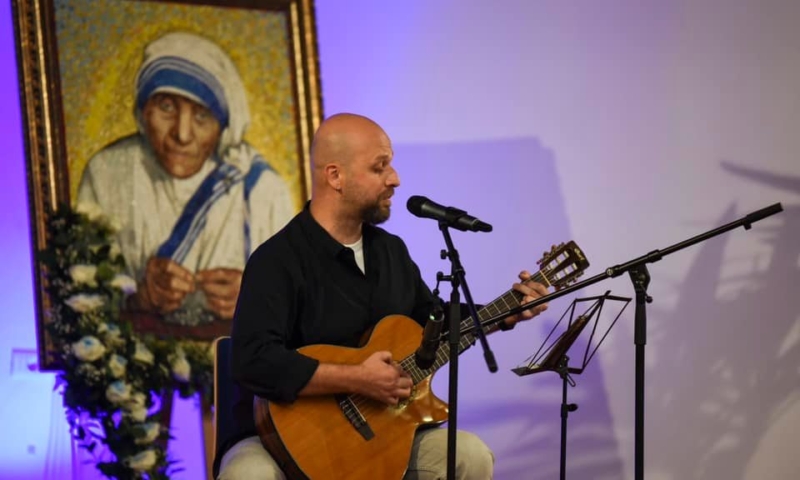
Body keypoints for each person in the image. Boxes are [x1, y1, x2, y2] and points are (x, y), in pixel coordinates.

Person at [217, 113, 550, 479]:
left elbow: (432, 323)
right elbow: (253, 360)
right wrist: (356, 378)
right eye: (380, 167)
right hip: (281, 441)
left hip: (383, 432)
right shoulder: (277, 260)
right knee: (248, 475)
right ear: (335, 176)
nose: (395, 179)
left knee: (469, 455)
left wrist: (505, 312)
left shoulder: (391, 252)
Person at [77, 32, 294, 326]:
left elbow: (304, 309)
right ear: (143, 112)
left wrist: (257, 300)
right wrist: (137, 298)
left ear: (222, 127)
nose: (182, 134)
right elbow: (78, 293)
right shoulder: (108, 174)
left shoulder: (260, 190)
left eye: (202, 115)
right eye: (166, 107)